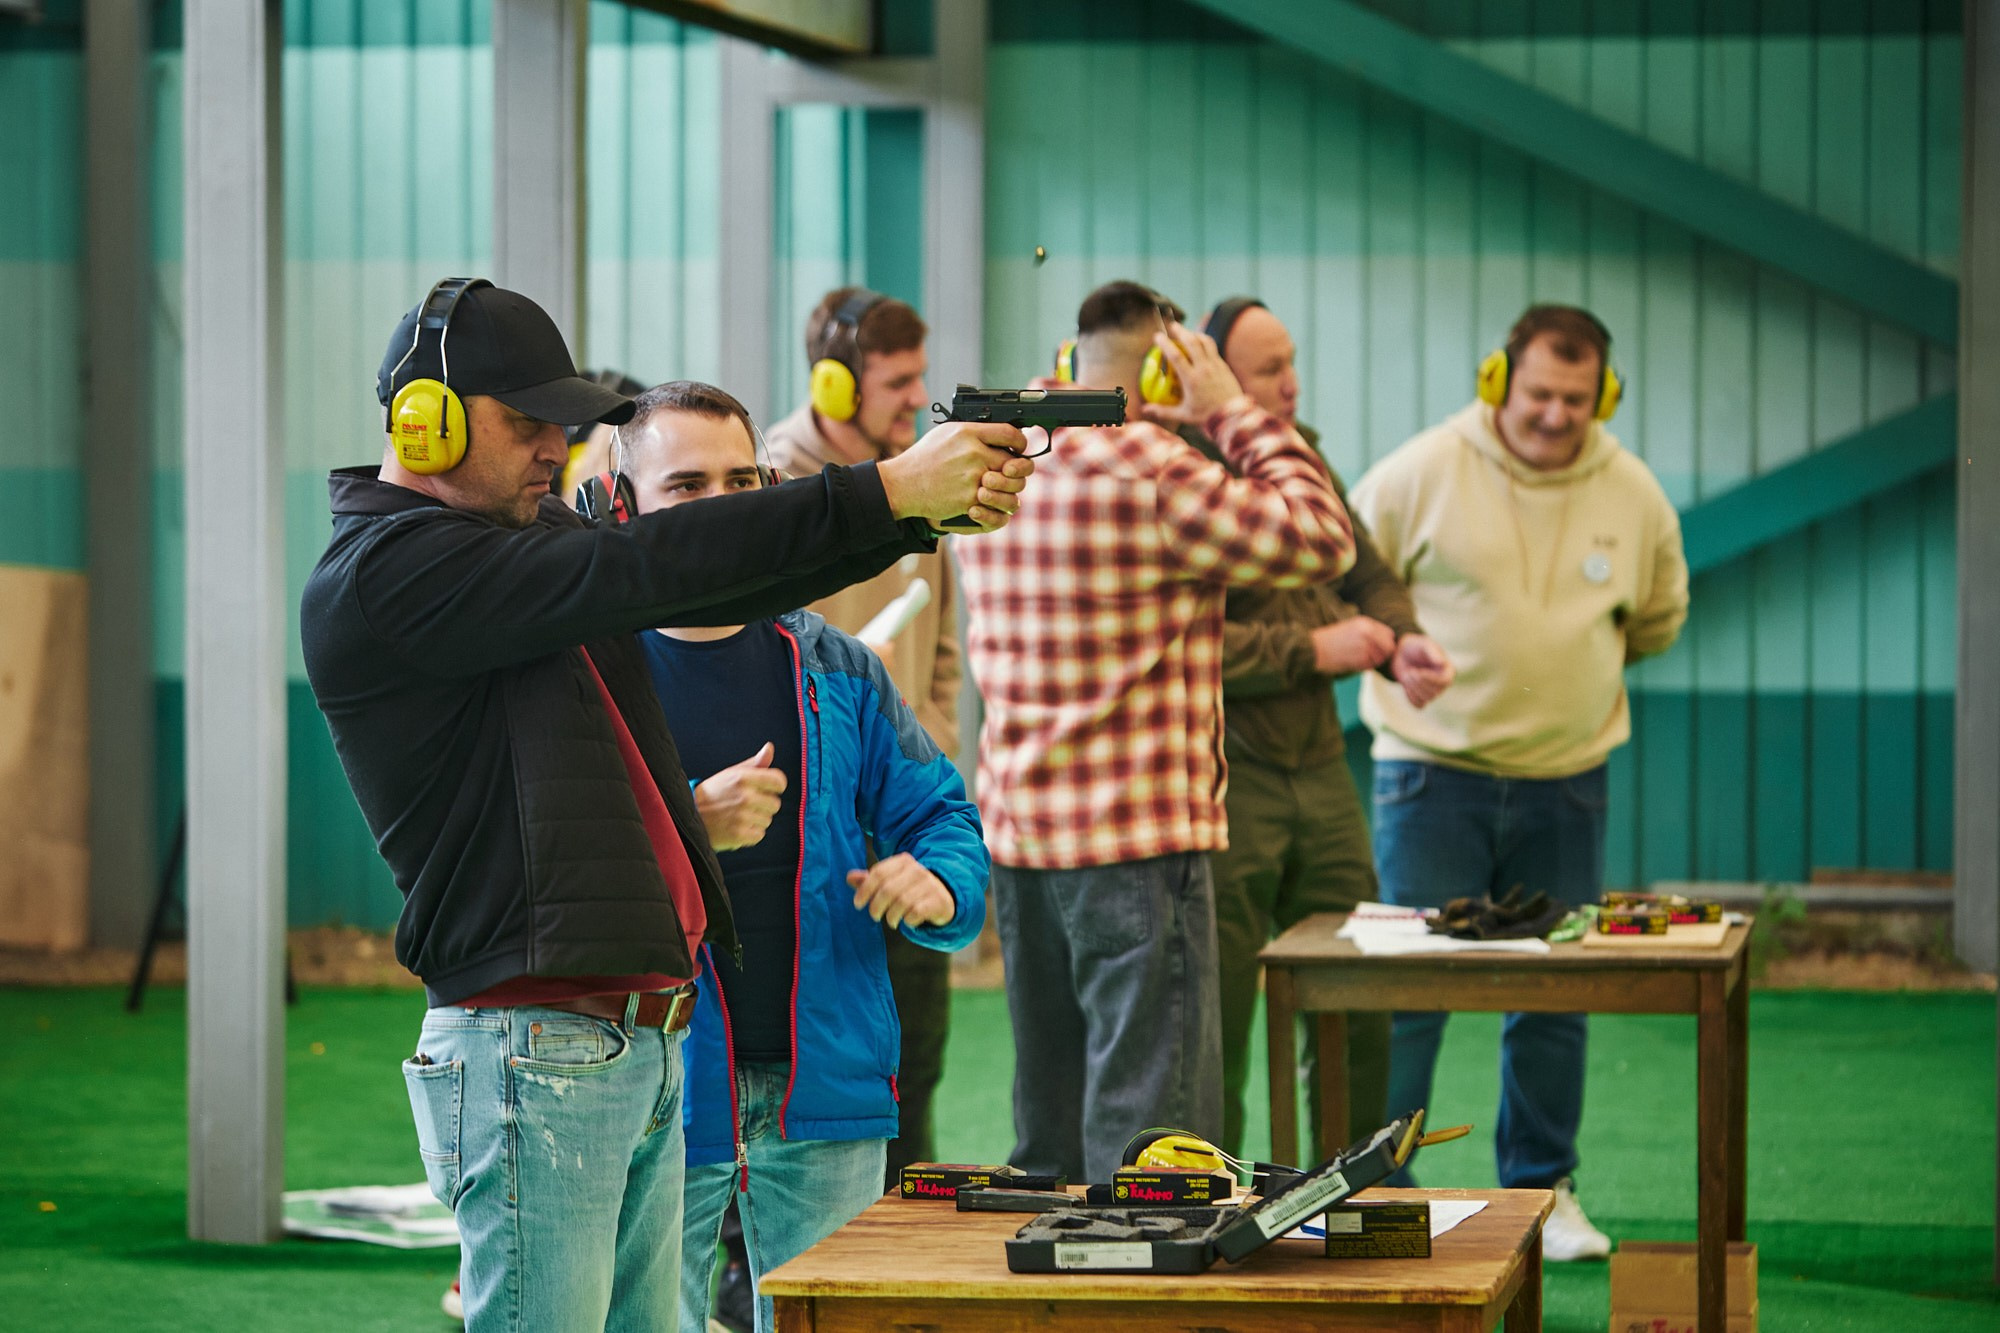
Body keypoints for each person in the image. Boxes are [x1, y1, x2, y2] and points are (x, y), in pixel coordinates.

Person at [299, 278, 1031, 1331]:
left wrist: (909, 511)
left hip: (627, 1041)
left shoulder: (510, 546)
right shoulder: (391, 573)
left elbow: (704, 582)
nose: (555, 447)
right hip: (535, 1043)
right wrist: (887, 492)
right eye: (526, 421)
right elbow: (654, 563)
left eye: (561, 423)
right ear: (425, 419)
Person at [954, 280, 1357, 1184]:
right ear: (1170, 368)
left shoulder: (994, 455)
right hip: (1136, 846)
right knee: (1155, 1141)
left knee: (1051, 1122)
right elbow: (1324, 535)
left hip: (1021, 845)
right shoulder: (1154, 471)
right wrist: (1229, 412)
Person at [607, 380, 988, 1333]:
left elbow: (942, 814)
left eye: (741, 482)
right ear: (624, 506)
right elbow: (548, 871)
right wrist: (689, 826)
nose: (723, 506)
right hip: (652, 1089)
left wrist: (938, 881)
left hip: (827, 1085)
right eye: (686, 485)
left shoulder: (838, 666)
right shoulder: (589, 677)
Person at [1349, 304, 1688, 1261]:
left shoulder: (1635, 492)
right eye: (1539, 392)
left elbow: (1658, 617)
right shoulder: (1419, 472)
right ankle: (1384, 1191)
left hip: (1566, 783)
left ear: (1604, 395)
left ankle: (1543, 1191)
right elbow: (1351, 574)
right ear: (1498, 380)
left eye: (1576, 398)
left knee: (1553, 994)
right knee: (1408, 994)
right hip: (1428, 777)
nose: (1554, 413)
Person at [1185, 297, 1455, 1162]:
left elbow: (1368, 573)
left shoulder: (1305, 462)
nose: (1292, 383)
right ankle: (1210, 1205)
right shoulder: (1179, 475)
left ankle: (1352, 1195)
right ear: (1215, 377)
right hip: (1226, 778)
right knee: (1217, 1020)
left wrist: (1402, 642)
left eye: (1291, 362)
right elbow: (1181, 643)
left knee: (1357, 994)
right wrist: (1311, 649)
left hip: (1321, 771)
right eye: (1269, 370)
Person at [763, 289, 961, 1193]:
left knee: (913, 1067)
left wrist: (925, 766)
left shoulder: (919, 483)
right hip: (808, 836)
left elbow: (945, 650)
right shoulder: (770, 488)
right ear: (834, 385)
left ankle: (900, 1250)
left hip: (901, 831)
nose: (919, 399)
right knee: (787, 1087)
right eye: (899, 382)